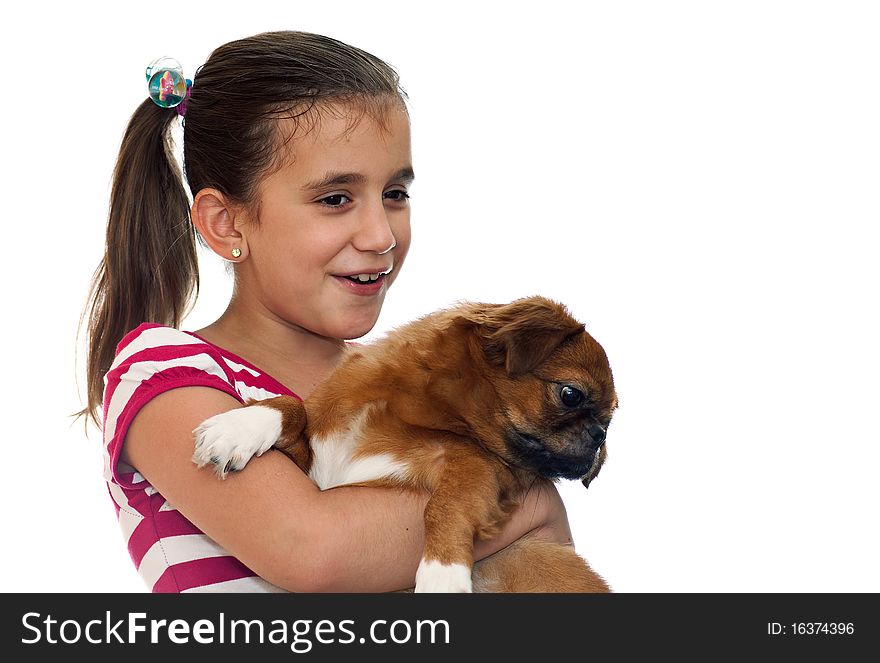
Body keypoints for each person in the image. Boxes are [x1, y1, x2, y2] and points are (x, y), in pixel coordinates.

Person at [77, 30, 574, 592]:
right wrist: (526, 497)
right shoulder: (165, 368)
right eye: (335, 199)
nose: (381, 235)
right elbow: (313, 550)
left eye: (395, 194)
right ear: (224, 223)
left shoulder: (398, 385)